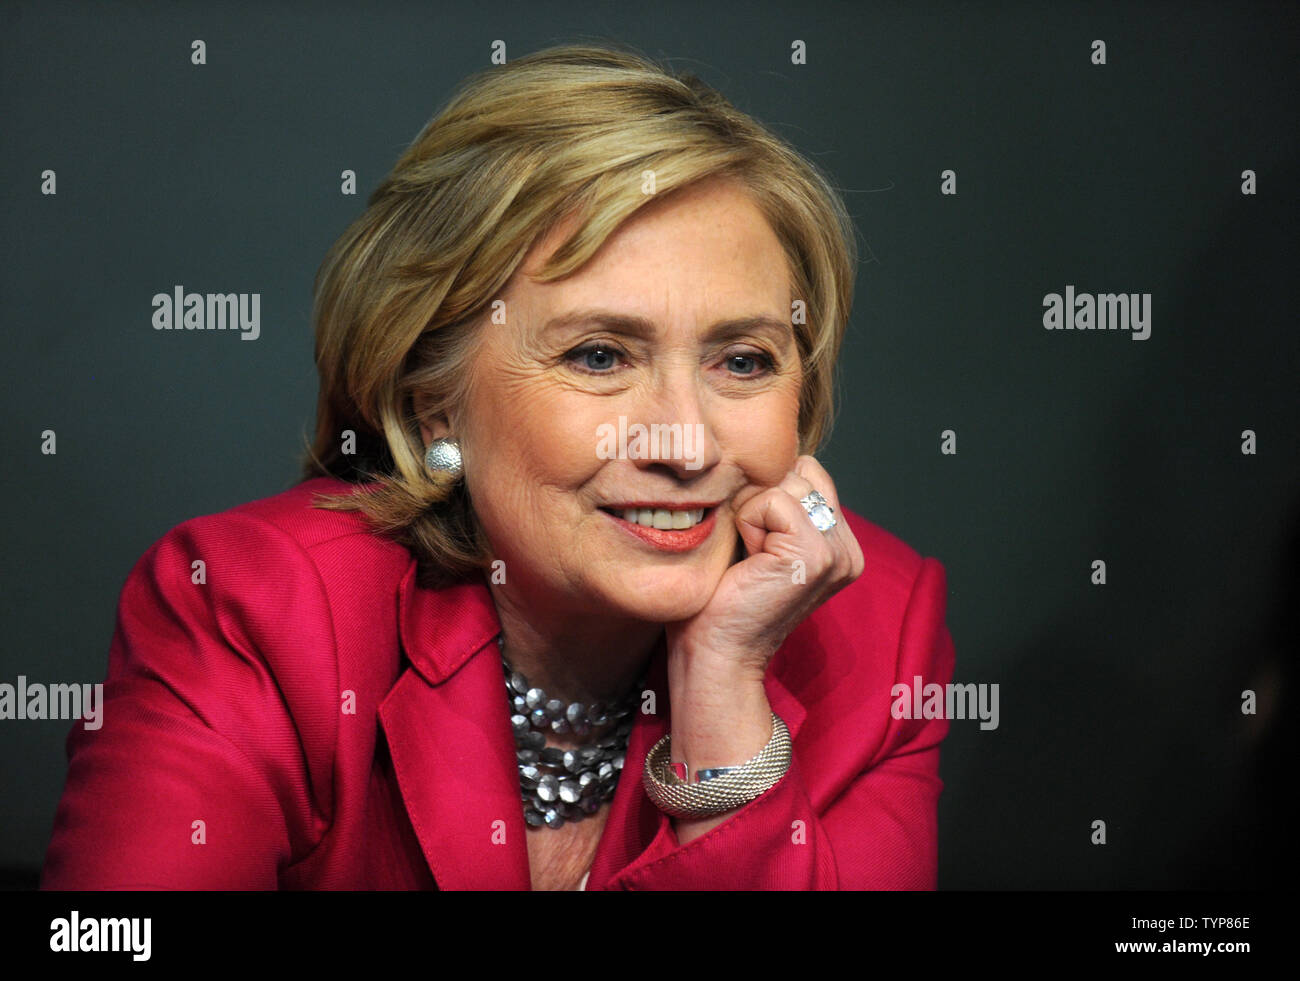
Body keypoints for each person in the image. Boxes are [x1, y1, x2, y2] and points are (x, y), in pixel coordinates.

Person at [41, 43, 956, 890]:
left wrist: (724, 698)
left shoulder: (879, 638)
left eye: (743, 360)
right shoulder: (256, 608)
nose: (686, 443)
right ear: (433, 394)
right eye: (599, 355)